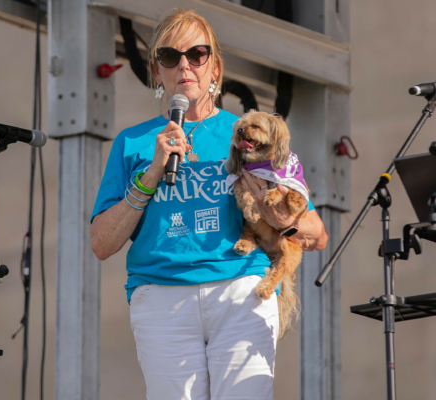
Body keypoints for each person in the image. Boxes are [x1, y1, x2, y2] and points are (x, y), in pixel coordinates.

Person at [90, 8, 328, 400]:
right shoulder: (133, 143)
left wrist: (279, 219)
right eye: (170, 56)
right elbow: (101, 244)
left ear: (214, 67)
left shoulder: (250, 134)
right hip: (161, 295)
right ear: (156, 70)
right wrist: (151, 174)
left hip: (240, 289)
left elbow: (317, 235)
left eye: (197, 54)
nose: (185, 65)